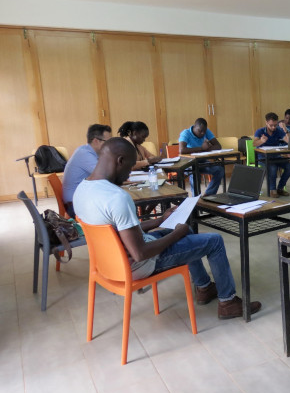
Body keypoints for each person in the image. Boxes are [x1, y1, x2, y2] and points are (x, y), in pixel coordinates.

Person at [73, 138, 261, 320]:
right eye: (130, 167)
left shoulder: (82, 190)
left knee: (182, 231)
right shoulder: (117, 197)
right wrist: (177, 233)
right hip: (139, 264)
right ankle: (228, 303)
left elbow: (119, 231)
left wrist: (160, 221)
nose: (129, 174)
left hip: (110, 264)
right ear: (120, 161)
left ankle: (204, 287)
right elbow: (140, 253)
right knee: (214, 241)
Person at [62, 124, 112, 217]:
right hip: (74, 205)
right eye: (108, 141)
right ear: (96, 141)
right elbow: (106, 175)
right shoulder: (84, 154)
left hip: (80, 199)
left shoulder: (87, 151)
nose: (110, 145)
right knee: (116, 203)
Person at [178, 118, 224, 196]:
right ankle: (196, 199)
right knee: (194, 172)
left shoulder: (206, 131)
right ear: (194, 127)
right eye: (200, 131)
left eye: (204, 131)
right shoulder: (186, 133)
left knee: (219, 170)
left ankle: (208, 195)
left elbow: (218, 146)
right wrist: (201, 148)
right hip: (188, 163)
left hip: (201, 161)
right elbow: (182, 150)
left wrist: (207, 149)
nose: (202, 133)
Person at [254, 112, 290, 197]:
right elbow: (254, 143)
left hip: (275, 156)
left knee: (289, 167)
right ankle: (272, 190)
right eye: (271, 125)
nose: (273, 127)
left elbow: (289, 141)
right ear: (266, 122)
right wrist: (261, 141)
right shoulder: (260, 131)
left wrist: (285, 129)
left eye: (275, 125)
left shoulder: (278, 130)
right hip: (262, 158)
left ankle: (280, 188)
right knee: (273, 167)